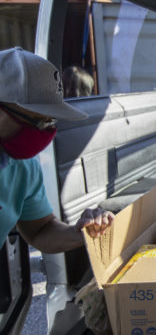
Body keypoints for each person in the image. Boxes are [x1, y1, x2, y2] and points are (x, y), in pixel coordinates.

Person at [0, 47, 113, 253]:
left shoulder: (24, 167)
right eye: (37, 120)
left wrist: (79, 232)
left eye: (50, 121)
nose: (45, 131)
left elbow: (40, 230)